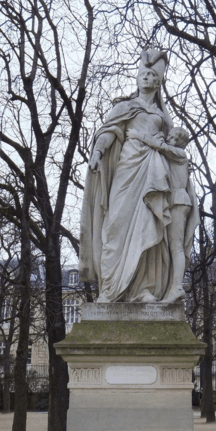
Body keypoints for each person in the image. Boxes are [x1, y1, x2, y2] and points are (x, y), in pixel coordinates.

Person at [79, 49, 199, 303]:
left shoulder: (161, 116)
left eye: (151, 74)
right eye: (142, 73)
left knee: (149, 225)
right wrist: (97, 152)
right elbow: (109, 132)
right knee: (115, 225)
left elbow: (173, 147)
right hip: (126, 171)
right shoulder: (124, 107)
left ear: (158, 82)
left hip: (153, 175)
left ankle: (145, 288)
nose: (146, 77)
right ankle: (110, 289)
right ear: (136, 78)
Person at [126, 126, 195, 302]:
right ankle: (170, 287)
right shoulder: (174, 157)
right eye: (169, 136)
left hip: (178, 201)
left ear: (180, 142)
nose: (168, 139)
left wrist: (137, 134)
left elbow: (161, 147)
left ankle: (177, 287)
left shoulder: (180, 154)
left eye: (172, 138)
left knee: (176, 247)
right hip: (174, 202)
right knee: (171, 247)